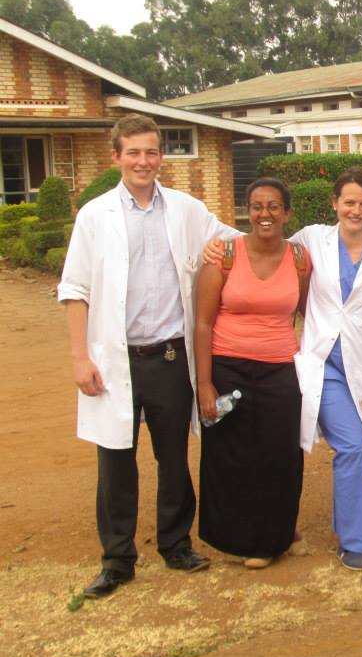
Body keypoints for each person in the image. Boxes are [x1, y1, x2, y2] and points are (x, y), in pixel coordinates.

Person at [58, 113, 238, 598]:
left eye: (152, 152)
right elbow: (75, 289)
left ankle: (175, 544)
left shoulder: (184, 209)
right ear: (115, 156)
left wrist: (291, 248)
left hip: (169, 358)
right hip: (114, 362)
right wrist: (80, 357)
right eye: (133, 152)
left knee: (174, 458)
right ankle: (117, 560)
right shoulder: (94, 215)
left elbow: (230, 240)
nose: (144, 161)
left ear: (162, 157)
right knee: (116, 461)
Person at [194, 178, 309, 570]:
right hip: (228, 369)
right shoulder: (222, 256)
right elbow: (203, 324)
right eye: (257, 206)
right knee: (233, 456)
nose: (265, 214)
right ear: (247, 211)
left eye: (274, 206)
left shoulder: (299, 259)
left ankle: (276, 535)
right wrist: (205, 384)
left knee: (281, 456)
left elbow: (312, 311)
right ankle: (240, 538)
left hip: (281, 369)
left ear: (287, 213)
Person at [292, 169, 362, 571]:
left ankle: (346, 524)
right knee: (352, 446)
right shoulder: (311, 239)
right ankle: (354, 542)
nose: (356, 210)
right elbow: (268, 255)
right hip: (323, 364)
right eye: (349, 202)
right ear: (334, 203)